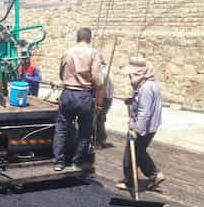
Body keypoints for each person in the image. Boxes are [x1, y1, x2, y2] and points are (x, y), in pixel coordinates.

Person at [53, 27, 104, 172]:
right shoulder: (94, 53)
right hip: (84, 95)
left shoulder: (68, 52)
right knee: (85, 131)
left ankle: (59, 162)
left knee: (62, 128)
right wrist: (99, 99)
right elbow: (97, 78)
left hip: (68, 93)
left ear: (77, 38)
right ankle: (77, 162)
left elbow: (61, 73)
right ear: (89, 38)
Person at [115, 57, 165, 191]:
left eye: (131, 75)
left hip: (143, 127)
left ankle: (130, 182)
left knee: (130, 155)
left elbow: (145, 111)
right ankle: (154, 175)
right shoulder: (150, 83)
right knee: (139, 152)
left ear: (139, 74)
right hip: (149, 126)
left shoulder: (146, 88)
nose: (130, 78)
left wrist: (135, 129)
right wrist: (132, 100)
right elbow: (144, 103)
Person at [95, 57, 115, 148]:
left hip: (104, 97)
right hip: (108, 97)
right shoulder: (106, 69)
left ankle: (98, 141)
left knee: (97, 119)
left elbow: (100, 86)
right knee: (101, 119)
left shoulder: (101, 71)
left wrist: (98, 100)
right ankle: (101, 139)